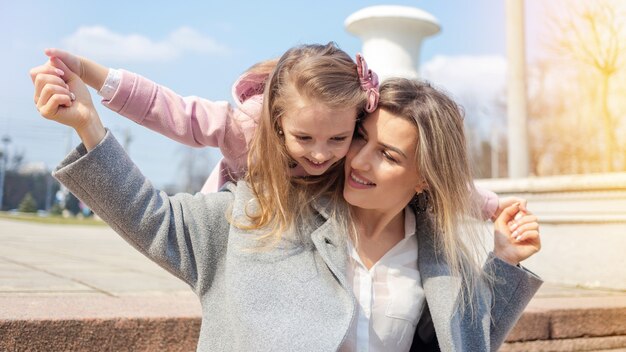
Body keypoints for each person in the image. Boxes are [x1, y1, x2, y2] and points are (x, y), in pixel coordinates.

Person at [31, 51, 541, 351]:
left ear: (426, 177)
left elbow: (460, 344)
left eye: (385, 154)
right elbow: (154, 218)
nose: (355, 160)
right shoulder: (261, 210)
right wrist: (89, 125)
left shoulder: (440, 258)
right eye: (358, 138)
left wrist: (501, 261)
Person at [32, 44, 511, 224]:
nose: (322, 155)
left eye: (339, 140)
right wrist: (90, 73)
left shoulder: (352, 148)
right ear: (277, 121)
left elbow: (431, 177)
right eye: (303, 139)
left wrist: (492, 207)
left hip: (299, 221)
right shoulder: (242, 125)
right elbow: (169, 109)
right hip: (238, 217)